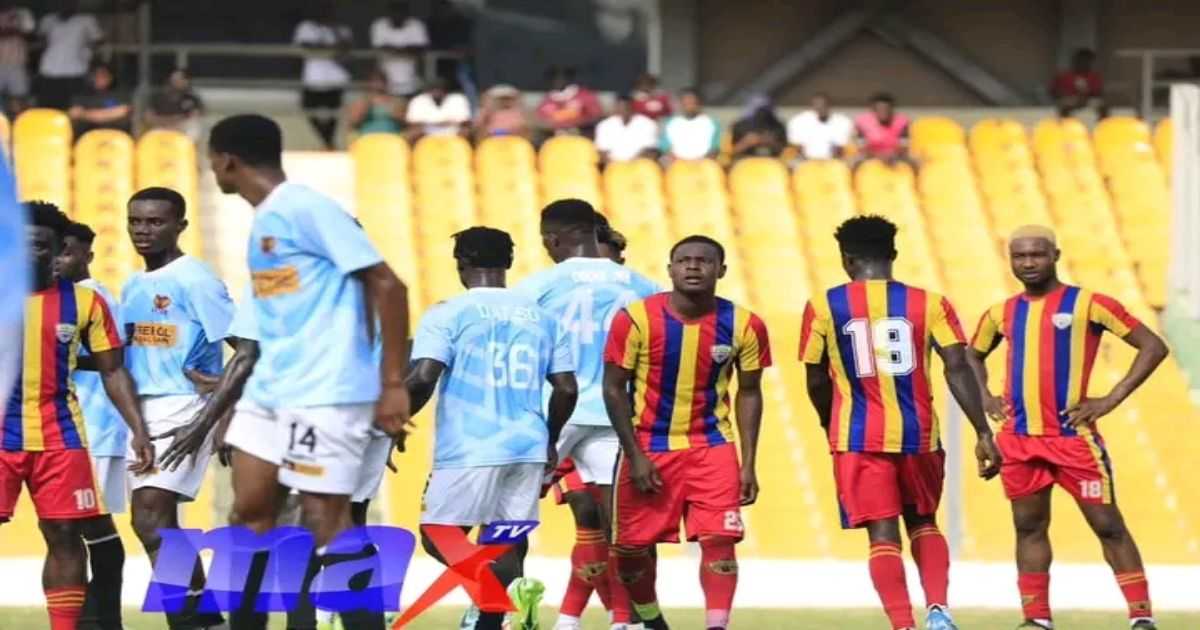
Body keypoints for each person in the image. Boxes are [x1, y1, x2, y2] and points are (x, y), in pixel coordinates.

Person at [202, 113, 412, 628]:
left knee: (324, 521)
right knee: (248, 518)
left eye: (212, 162)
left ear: (226, 161)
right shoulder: (266, 219)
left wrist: (390, 385)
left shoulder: (305, 207)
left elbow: (389, 285)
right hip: (270, 392)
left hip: (325, 393)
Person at [799, 215, 1002, 630]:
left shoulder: (823, 306)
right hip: (920, 435)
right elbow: (957, 367)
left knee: (882, 535)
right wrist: (983, 431)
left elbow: (816, 378)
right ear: (893, 254)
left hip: (858, 435)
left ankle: (903, 625)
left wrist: (827, 421)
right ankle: (939, 611)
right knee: (924, 523)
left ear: (847, 259)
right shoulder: (931, 303)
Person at [967, 225, 1168, 630]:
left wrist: (1110, 398)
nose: (1028, 263)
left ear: (1055, 256)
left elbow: (1153, 346)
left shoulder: (1089, 304)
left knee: (1108, 526)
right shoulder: (1000, 312)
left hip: (1073, 442)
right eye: (1019, 256)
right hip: (1019, 442)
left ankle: (1141, 617)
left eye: (1037, 254)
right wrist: (985, 396)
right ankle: (1037, 619)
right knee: (1028, 526)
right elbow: (972, 356)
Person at [404, 226, 578, 630]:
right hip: (528, 445)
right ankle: (499, 613)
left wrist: (396, 420)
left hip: (471, 446)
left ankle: (497, 601)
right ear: (509, 261)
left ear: (461, 262)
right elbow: (567, 388)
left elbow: (424, 376)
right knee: (503, 539)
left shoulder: (448, 313)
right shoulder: (544, 318)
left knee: (438, 534)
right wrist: (551, 439)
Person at [604, 235, 771, 630]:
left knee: (720, 541)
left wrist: (748, 463)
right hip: (649, 446)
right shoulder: (635, 319)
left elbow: (749, 391)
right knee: (629, 550)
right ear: (670, 269)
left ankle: (717, 625)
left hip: (712, 445)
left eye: (703, 260)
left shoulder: (745, 325)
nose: (693, 266)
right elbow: (612, 387)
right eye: (683, 260)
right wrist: (635, 455)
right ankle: (652, 621)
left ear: (721, 270)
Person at [1, 201, 152, 630]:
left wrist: (138, 430)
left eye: (41, 245)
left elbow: (113, 371)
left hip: (60, 438)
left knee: (66, 535)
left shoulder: (85, 302)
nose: (32, 253)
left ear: (57, 250)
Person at [515, 200, 660, 630]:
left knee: (508, 513)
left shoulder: (538, 286)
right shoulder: (644, 286)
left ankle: (495, 610)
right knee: (624, 526)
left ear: (552, 238)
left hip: (551, 413)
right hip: (616, 415)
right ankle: (632, 621)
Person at [118, 186, 232, 630]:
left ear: (180, 226)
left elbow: (247, 347)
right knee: (153, 524)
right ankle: (206, 622)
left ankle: (194, 623)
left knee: (151, 518)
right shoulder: (133, 285)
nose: (142, 230)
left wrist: (222, 406)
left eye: (155, 222)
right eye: (135, 221)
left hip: (183, 407)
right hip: (140, 414)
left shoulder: (197, 280)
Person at [52, 221, 129, 630]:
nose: (59, 260)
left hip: (95, 430)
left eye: (68, 252)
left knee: (85, 526)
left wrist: (53, 353)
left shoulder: (94, 297)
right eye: (57, 251)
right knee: (70, 529)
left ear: (88, 257)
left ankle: (101, 618)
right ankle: (93, 618)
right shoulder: (56, 298)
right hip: (67, 431)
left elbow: (112, 359)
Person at [293, 3, 353, 150]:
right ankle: (328, 142)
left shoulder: (341, 29)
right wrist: (331, 48)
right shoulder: (306, 27)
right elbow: (306, 46)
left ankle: (328, 143)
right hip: (312, 78)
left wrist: (333, 32)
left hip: (335, 78)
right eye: (321, 10)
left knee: (333, 112)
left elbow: (345, 50)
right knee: (308, 108)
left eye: (328, 10)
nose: (324, 14)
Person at [35, 0, 103, 110]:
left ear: (75, 3)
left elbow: (98, 41)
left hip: (76, 71)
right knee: (48, 108)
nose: (65, 4)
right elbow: (40, 41)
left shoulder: (87, 20)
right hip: (49, 71)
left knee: (75, 110)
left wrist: (87, 53)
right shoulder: (48, 20)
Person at [371, 0, 429, 97]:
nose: (397, 15)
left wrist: (394, 49)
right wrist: (407, 50)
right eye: (394, 12)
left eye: (401, 12)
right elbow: (381, 47)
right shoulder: (379, 25)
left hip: (412, 82)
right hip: (386, 83)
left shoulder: (416, 25)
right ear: (389, 13)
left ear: (406, 13)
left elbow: (420, 49)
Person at [429, 0, 477, 110]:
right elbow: (430, 45)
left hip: (459, 61)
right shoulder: (433, 23)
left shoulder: (461, 22)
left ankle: (472, 111)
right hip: (438, 61)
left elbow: (468, 45)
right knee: (436, 84)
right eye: (439, 9)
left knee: (466, 81)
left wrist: (461, 49)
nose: (443, 12)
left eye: (445, 9)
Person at [536, 66, 603, 137]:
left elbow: (596, 115)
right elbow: (540, 119)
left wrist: (576, 124)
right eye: (553, 77)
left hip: (581, 136)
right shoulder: (548, 99)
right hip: (555, 137)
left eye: (562, 77)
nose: (557, 80)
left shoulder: (584, 95)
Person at [68, 63, 131, 136]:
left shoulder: (120, 93)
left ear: (111, 77)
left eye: (103, 75)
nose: (99, 78)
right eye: (96, 75)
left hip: (117, 136)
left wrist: (85, 114)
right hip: (88, 137)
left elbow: (123, 111)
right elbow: (73, 113)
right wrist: (110, 114)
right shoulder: (81, 95)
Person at [595, 94, 659, 164]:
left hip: (640, 164)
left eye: (626, 108)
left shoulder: (647, 124)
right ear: (615, 108)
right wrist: (614, 163)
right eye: (620, 108)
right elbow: (602, 151)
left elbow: (650, 150)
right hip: (614, 165)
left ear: (632, 108)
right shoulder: (604, 125)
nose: (623, 111)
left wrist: (632, 162)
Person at [145, 67, 205, 143]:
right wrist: (168, 121)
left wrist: (175, 123)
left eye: (181, 79)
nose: (178, 82)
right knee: (151, 135)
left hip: (182, 128)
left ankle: (186, 149)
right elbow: (149, 117)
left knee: (193, 127)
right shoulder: (158, 98)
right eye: (175, 80)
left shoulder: (192, 99)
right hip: (161, 127)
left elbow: (193, 117)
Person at [659, 88, 720, 162]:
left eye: (692, 102)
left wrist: (702, 160)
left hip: (704, 164)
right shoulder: (671, 123)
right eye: (686, 103)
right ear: (681, 103)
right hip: (676, 163)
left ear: (699, 103)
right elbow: (665, 146)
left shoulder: (711, 123)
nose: (689, 106)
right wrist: (675, 159)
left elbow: (715, 147)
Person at [787, 92, 853, 160]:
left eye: (824, 105)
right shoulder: (798, 121)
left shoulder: (842, 122)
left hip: (833, 161)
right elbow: (797, 148)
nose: (820, 108)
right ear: (811, 106)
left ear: (830, 106)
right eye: (817, 105)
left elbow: (839, 149)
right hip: (805, 161)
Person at [405, 76, 471, 141]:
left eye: (439, 89)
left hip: (453, 133)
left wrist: (431, 122)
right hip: (425, 134)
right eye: (434, 89)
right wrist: (444, 122)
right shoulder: (419, 100)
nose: (437, 92)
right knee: (411, 133)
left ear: (445, 90)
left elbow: (465, 120)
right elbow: (411, 121)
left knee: (466, 131)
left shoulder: (458, 99)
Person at [346, 67, 406, 137]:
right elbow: (354, 121)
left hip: (392, 138)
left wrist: (395, 113)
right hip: (367, 138)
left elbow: (405, 120)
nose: (378, 84)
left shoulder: (397, 100)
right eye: (374, 81)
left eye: (381, 81)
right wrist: (367, 103)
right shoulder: (361, 100)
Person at [854, 93, 911, 165]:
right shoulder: (862, 122)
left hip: (896, 156)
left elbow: (904, 146)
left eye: (886, 109)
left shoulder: (902, 122)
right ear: (874, 110)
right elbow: (861, 147)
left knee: (915, 162)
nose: (883, 112)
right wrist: (878, 156)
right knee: (853, 162)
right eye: (879, 109)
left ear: (892, 109)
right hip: (869, 155)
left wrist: (893, 155)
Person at [1051, 48, 1107, 119]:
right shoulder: (1064, 76)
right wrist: (1065, 95)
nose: (1084, 63)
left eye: (1087, 61)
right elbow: (1053, 91)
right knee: (1064, 107)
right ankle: (1066, 124)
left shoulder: (1094, 76)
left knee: (1102, 107)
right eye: (1081, 60)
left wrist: (1085, 96)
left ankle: (1103, 124)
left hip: (1089, 100)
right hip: (1070, 99)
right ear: (1076, 61)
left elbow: (1098, 92)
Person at [0, 1, 34, 114]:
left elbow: (30, 34)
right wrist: (14, 31)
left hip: (17, 62)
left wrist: (10, 31)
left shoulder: (23, 13)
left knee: (18, 97)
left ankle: (18, 121)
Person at [730, 94, 785, 159]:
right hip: (745, 161)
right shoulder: (738, 126)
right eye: (759, 110)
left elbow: (786, 152)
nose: (762, 114)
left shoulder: (778, 126)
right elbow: (729, 153)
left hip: (772, 162)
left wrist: (771, 142)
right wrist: (746, 142)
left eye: (765, 109)